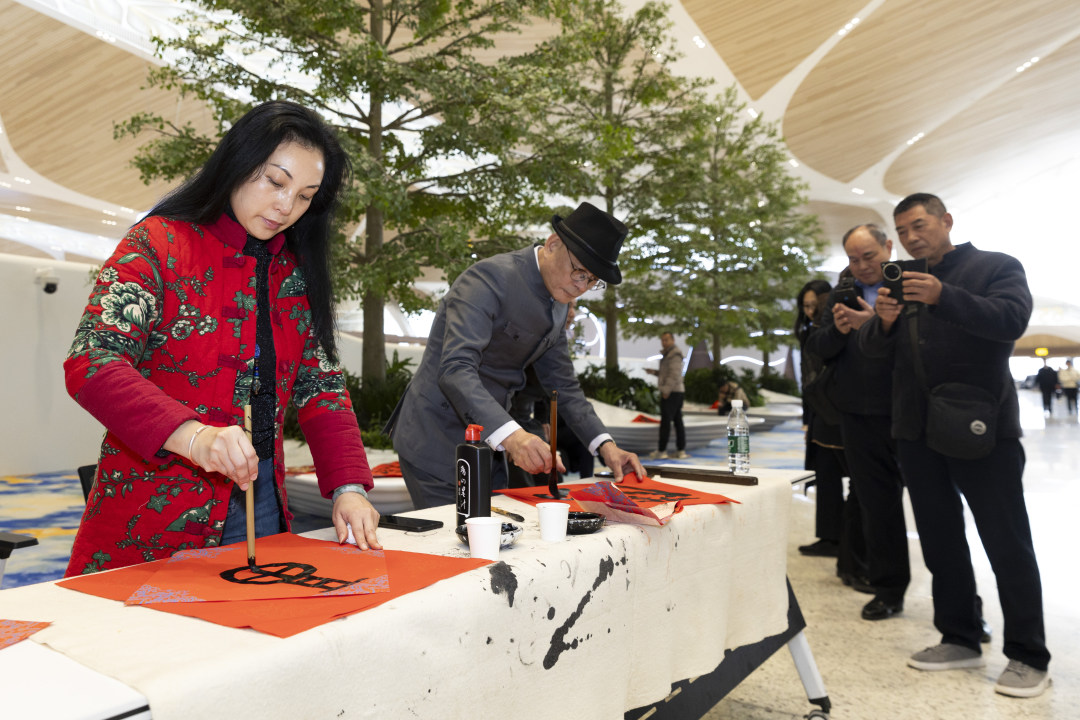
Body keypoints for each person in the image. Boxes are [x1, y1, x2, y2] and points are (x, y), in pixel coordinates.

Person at [63, 101, 381, 575]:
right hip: (153, 516)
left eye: (305, 196)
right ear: (237, 162)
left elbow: (321, 388)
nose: (285, 206)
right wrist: (196, 438)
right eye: (275, 182)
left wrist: (349, 489)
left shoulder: (292, 274)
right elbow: (93, 361)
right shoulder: (158, 244)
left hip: (262, 506)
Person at [860, 193, 1050, 697]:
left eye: (919, 225)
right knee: (940, 540)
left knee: (1006, 541)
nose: (911, 236)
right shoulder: (900, 280)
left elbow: (1011, 321)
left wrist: (945, 295)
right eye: (902, 231)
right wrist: (881, 322)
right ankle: (960, 635)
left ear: (946, 220)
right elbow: (878, 356)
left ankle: (1029, 654)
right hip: (916, 432)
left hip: (981, 427)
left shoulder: (996, 267)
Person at [386, 202, 645, 509]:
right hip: (437, 442)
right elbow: (456, 369)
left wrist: (606, 445)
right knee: (458, 546)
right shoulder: (486, 281)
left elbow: (563, 386)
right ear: (552, 244)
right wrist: (514, 437)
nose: (581, 287)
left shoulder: (559, 301)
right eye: (579, 272)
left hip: (493, 444)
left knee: (492, 544)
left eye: (592, 281)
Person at [805, 226, 910, 620]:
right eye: (853, 258)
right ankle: (888, 589)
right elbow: (816, 348)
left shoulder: (911, 285)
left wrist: (873, 325)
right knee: (876, 504)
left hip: (908, 410)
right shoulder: (840, 294)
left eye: (869, 255)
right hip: (858, 415)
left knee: (937, 509)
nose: (863, 265)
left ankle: (961, 604)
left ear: (888, 247)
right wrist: (840, 329)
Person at [795, 279, 867, 592]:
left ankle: (849, 551)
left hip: (841, 412)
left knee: (857, 485)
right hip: (821, 414)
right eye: (805, 306)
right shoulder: (813, 332)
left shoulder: (837, 326)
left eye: (814, 305)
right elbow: (810, 382)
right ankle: (829, 538)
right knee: (825, 477)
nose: (810, 312)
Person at [646, 332, 687, 459]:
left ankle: (662, 451)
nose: (664, 342)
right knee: (677, 421)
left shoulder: (673, 354)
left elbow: (674, 375)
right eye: (662, 340)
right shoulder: (669, 354)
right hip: (676, 391)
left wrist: (666, 390)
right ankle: (680, 450)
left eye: (666, 340)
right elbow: (667, 373)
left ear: (673, 340)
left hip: (672, 392)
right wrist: (655, 373)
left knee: (666, 422)